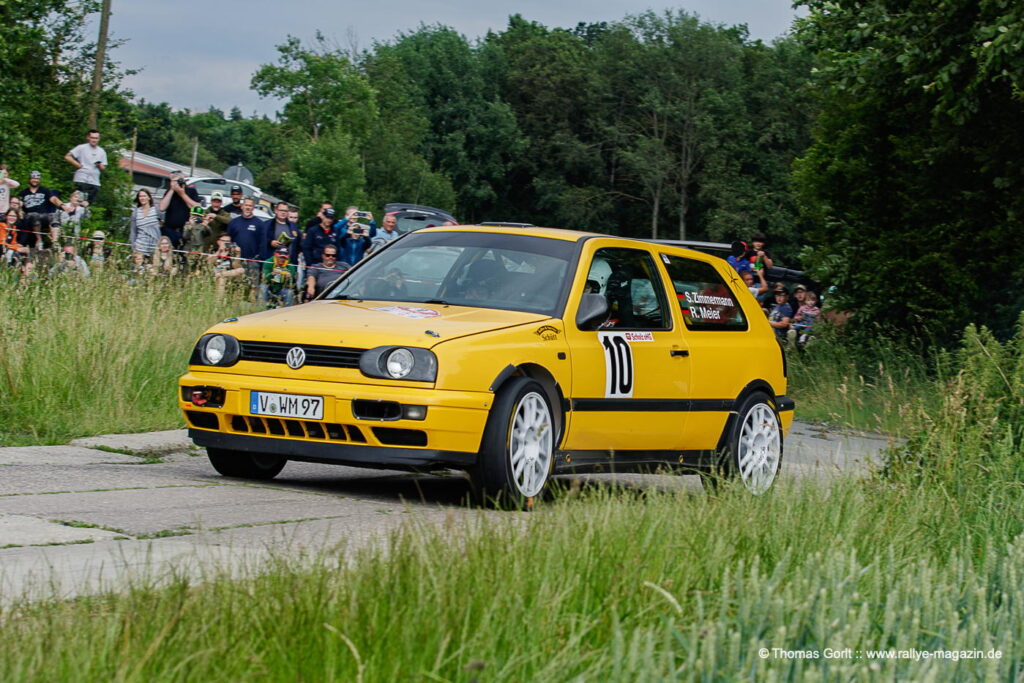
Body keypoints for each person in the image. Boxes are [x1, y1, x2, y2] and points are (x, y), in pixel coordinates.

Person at [227, 198, 268, 284]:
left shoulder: (260, 224)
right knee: (235, 286)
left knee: (252, 287)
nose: (248, 207)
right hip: (236, 260)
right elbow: (228, 240)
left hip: (253, 262)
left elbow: (263, 244)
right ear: (242, 206)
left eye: (250, 206)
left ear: (253, 208)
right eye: (246, 205)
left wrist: (258, 259)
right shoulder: (234, 222)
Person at [18, 171, 63, 250]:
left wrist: (62, 205)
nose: (35, 180)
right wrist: (19, 209)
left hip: (44, 215)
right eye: (33, 178)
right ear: (29, 179)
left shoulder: (44, 190)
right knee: (34, 215)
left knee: (54, 215)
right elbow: (20, 204)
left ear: (39, 180)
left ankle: (55, 242)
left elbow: (53, 199)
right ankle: (39, 240)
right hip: (30, 217)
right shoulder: (23, 192)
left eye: (37, 179)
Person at [158, 170, 200, 247]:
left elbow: (196, 208)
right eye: (173, 181)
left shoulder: (191, 191)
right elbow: (162, 208)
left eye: (178, 181)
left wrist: (182, 194)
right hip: (170, 230)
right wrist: (171, 189)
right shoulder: (169, 192)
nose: (176, 183)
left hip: (185, 230)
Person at [63, 129, 108, 203]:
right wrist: (78, 165)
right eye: (92, 138)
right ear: (88, 138)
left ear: (99, 139)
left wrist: (99, 165)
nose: (94, 140)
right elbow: (67, 156)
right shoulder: (81, 147)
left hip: (95, 181)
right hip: (81, 179)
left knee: (88, 203)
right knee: (78, 201)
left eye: (96, 138)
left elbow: (103, 168)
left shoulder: (101, 151)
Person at [130, 188, 162, 257]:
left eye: (144, 196)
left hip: (154, 246)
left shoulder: (156, 209)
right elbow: (133, 231)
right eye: (140, 196)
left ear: (149, 197)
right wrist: (133, 247)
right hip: (140, 247)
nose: (142, 198)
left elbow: (163, 222)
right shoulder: (135, 213)